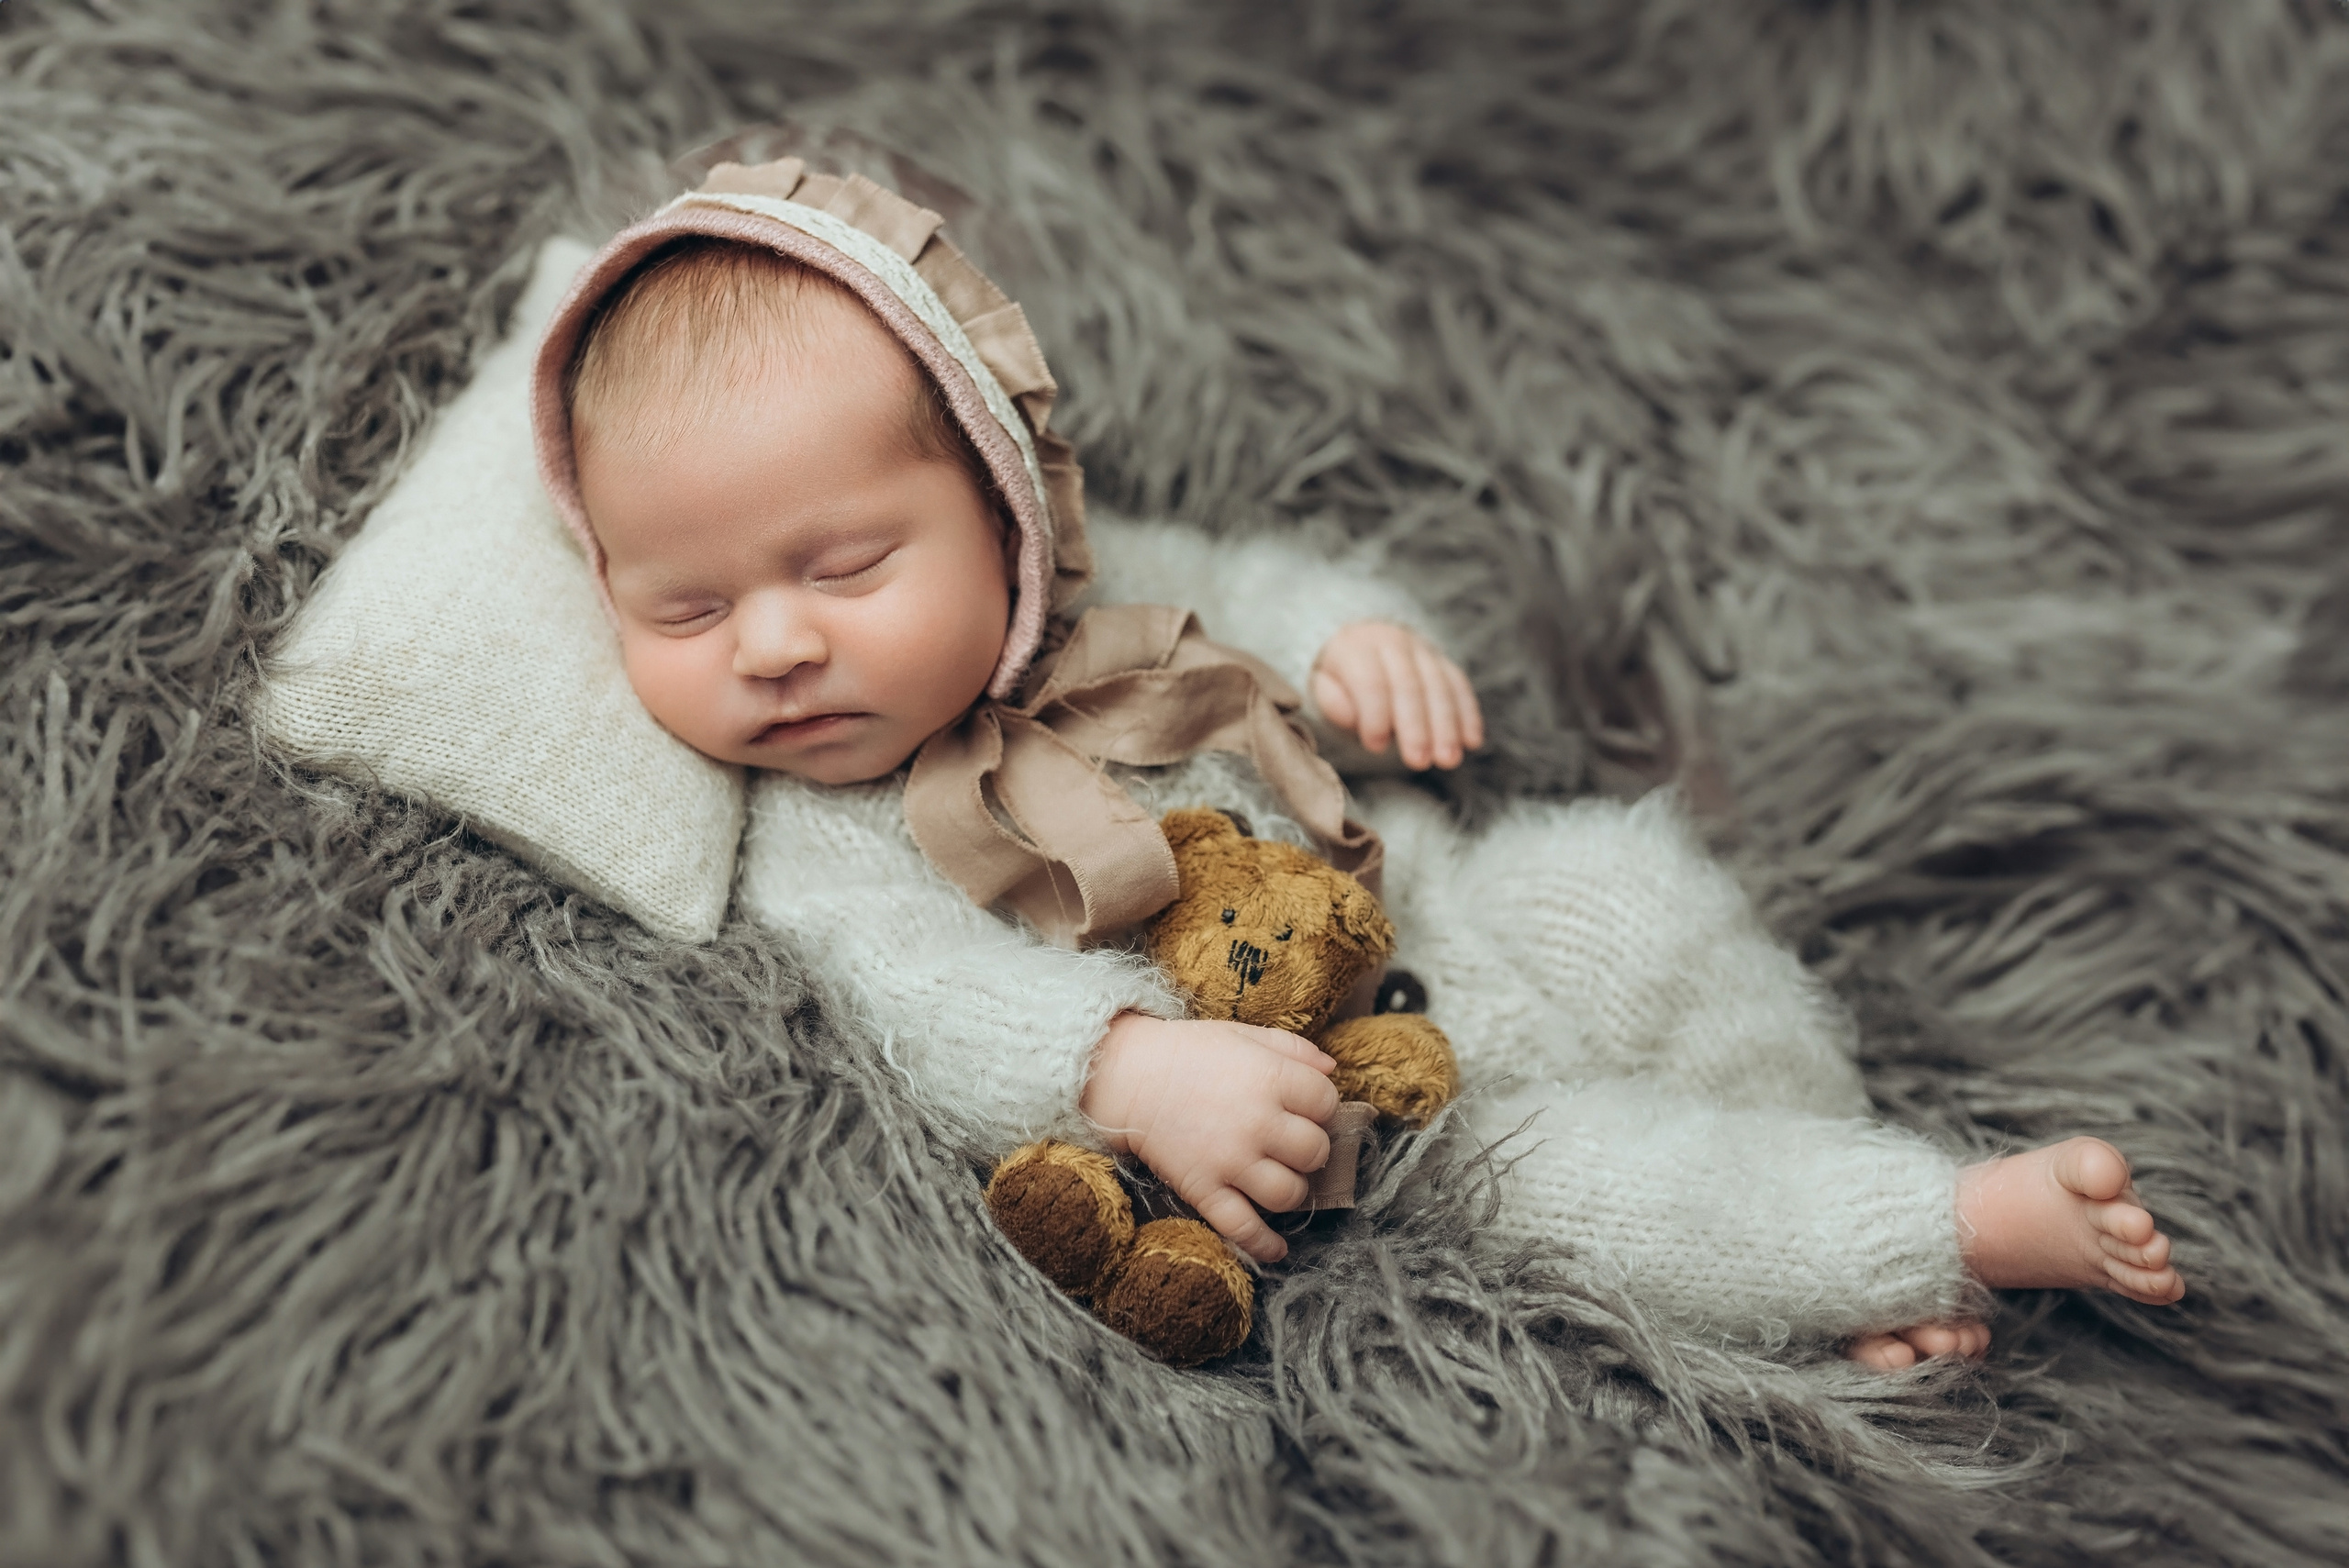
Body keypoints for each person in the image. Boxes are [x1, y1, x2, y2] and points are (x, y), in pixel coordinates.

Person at [528, 157, 2183, 1369]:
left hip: (1463, 902)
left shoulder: (1106, 596)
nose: (772, 644)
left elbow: (1265, 584)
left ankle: (1834, 1192)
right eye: (686, 605)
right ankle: (1935, 1229)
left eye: (841, 568)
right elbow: (904, 988)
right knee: (1593, 1184)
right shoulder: (826, 828)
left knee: (1633, 882)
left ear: (1001, 502)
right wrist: (1120, 1068)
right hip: (1362, 1108)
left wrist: (1352, 644)